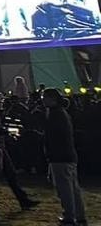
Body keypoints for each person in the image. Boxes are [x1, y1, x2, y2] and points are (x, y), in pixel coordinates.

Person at [44, 89, 87, 226]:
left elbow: (53, 137)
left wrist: (49, 152)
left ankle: (69, 216)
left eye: (45, 97)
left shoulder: (55, 115)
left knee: (64, 188)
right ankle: (79, 215)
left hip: (59, 156)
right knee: (73, 187)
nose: (43, 100)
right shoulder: (62, 113)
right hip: (69, 154)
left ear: (52, 99)